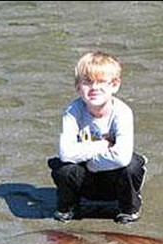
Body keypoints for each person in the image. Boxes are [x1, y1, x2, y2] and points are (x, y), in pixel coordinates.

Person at [47, 51, 147, 224]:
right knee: (63, 168)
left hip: (113, 176)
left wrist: (92, 164)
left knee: (132, 165)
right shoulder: (72, 111)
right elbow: (66, 153)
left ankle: (129, 209)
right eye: (87, 82)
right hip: (86, 179)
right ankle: (68, 207)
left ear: (115, 85)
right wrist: (102, 145)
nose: (94, 88)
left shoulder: (122, 112)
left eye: (101, 82)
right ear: (78, 87)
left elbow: (121, 157)